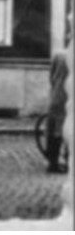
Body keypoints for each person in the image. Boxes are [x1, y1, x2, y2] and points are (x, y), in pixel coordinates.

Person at [47, 47, 69, 175]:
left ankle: (53, 163)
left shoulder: (58, 55)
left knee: (54, 131)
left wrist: (56, 88)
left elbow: (51, 77)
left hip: (57, 97)